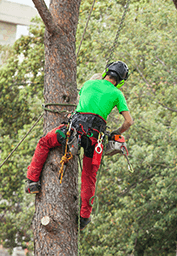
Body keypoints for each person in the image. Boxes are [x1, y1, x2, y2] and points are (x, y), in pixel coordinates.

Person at [25, 61, 134, 230]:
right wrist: (115, 133)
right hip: (95, 138)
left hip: (74, 129)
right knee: (89, 175)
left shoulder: (89, 83)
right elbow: (129, 122)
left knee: (45, 142)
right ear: (120, 81)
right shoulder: (118, 94)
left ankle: (33, 181)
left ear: (106, 72)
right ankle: (84, 218)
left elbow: (83, 104)